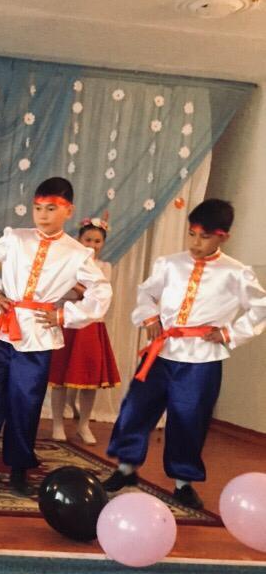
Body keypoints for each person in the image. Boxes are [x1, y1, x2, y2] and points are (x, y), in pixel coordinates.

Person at [0, 177, 112, 496]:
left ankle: (19, 467)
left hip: (37, 335)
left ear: (68, 211)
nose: (43, 215)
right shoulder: (16, 238)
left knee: (24, 400)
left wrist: (65, 315)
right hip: (2, 328)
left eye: (51, 209)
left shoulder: (77, 253)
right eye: (38, 208)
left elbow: (101, 291)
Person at [104, 198, 266, 510]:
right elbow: (146, 293)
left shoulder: (236, 273)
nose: (195, 243)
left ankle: (183, 482)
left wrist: (229, 333)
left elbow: (260, 307)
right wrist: (150, 317)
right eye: (191, 234)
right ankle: (125, 468)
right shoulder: (169, 264)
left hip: (201, 360)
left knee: (189, 418)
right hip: (162, 352)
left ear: (223, 237)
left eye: (204, 237)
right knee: (136, 407)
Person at [49, 214, 120, 445]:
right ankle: (57, 424)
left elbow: (99, 297)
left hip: (92, 327)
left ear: (103, 243)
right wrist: (84, 290)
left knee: (91, 380)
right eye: (87, 240)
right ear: (78, 240)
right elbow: (60, 293)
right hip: (67, 323)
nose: (92, 245)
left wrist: (78, 287)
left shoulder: (104, 267)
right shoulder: (66, 264)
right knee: (60, 378)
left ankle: (83, 425)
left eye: (97, 241)